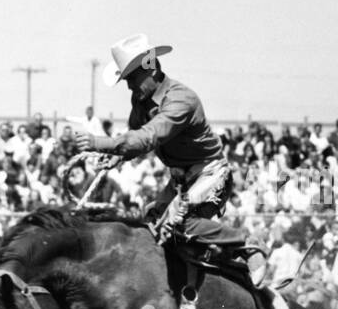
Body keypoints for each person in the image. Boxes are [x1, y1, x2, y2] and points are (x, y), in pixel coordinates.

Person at [70, 34, 265, 285]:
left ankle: (246, 242)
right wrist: (118, 157)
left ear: (151, 68)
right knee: (153, 228)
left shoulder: (181, 99)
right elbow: (138, 135)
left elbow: (149, 136)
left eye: (132, 78)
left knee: (181, 225)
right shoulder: (140, 99)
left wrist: (100, 143)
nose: (129, 86)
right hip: (182, 177)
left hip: (209, 172)